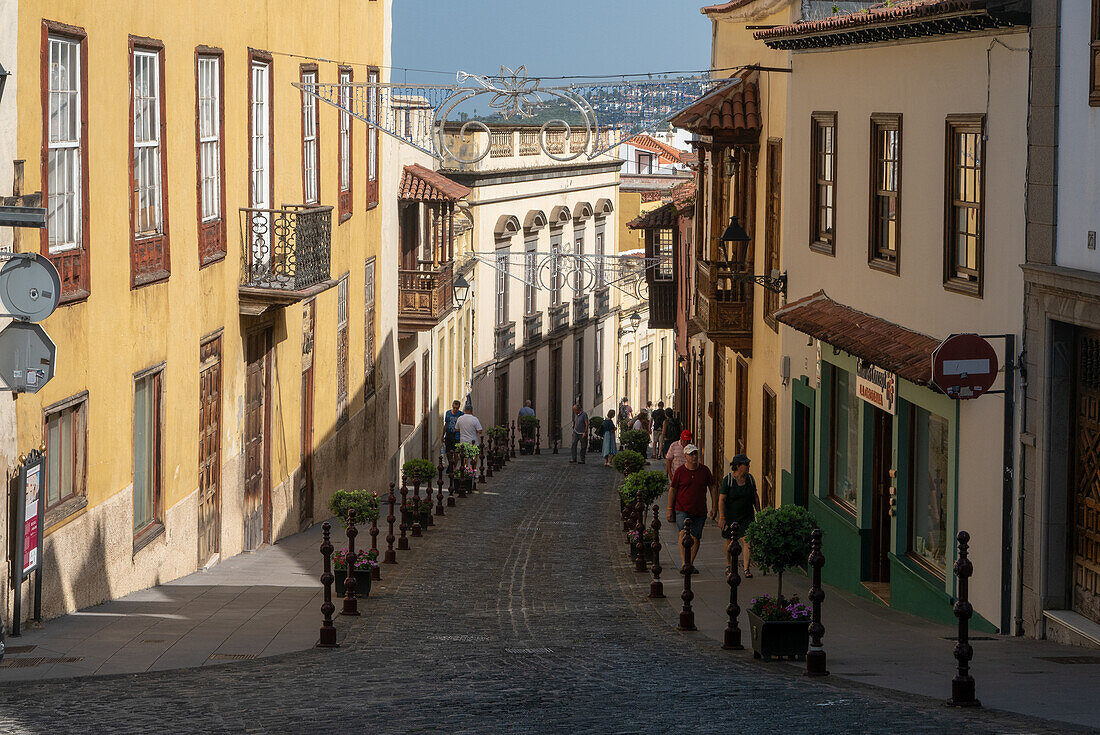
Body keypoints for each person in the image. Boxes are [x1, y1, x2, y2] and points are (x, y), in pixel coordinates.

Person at [666, 444, 717, 571]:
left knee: (696, 537)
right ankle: (684, 562)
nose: (694, 456)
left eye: (695, 454)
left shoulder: (704, 470)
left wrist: (714, 507)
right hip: (682, 509)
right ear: (685, 456)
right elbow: (672, 490)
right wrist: (669, 509)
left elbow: (712, 487)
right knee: (683, 533)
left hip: (699, 510)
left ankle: (690, 562)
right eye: (691, 454)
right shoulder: (680, 471)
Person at [719, 454, 761, 578]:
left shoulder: (750, 479)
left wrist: (759, 511)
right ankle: (729, 565)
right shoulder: (728, 480)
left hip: (747, 515)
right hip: (731, 516)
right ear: (738, 466)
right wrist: (722, 517)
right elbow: (722, 499)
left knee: (747, 540)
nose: (748, 466)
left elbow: (755, 496)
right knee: (730, 541)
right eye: (746, 464)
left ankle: (746, 568)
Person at [442, 400, 464, 465]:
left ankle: (454, 467)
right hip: (448, 435)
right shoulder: (448, 413)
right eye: (454, 408)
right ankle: (450, 464)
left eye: (456, 408)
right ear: (452, 406)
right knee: (448, 452)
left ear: (459, 407)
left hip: (457, 436)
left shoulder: (461, 414)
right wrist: (442, 435)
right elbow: (446, 424)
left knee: (456, 452)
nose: (455, 409)